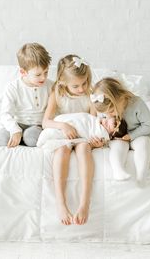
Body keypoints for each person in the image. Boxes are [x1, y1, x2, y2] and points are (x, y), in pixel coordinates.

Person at [42, 54, 95, 226]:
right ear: (63, 82)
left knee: (84, 149)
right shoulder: (57, 92)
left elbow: (94, 121)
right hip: (64, 133)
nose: (81, 89)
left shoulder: (91, 93)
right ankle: (61, 203)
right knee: (62, 151)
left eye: (84, 83)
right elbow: (46, 122)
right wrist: (63, 126)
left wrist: (95, 138)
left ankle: (84, 202)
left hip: (83, 134)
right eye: (76, 86)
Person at [90, 77, 150, 184]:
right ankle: (118, 171)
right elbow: (103, 123)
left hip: (138, 133)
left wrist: (131, 136)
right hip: (119, 137)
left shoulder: (136, 103)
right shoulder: (107, 110)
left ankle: (141, 176)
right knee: (117, 148)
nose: (109, 115)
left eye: (111, 111)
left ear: (121, 98)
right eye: (106, 113)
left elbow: (148, 125)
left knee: (143, 143)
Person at [0, 43, 53, 148]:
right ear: (23, 72)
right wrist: (15, 130)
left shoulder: (50, 86)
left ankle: (24, 138)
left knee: (32, 139)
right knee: (2, 140)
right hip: (17, 123)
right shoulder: (13, 87)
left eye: (46, 72)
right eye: (38, 74)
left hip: (36, 125)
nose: (43, 78)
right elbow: (5, 113)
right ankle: (18, 136)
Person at [38, 112, 127, 152]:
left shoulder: (102, 133)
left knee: (54, 134)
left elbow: (93, 137)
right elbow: (84, 118)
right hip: (64, 123)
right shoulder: (96, 119)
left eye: (113, 125)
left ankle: (47, 136)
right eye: (107, 120)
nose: (106, 122)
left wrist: (95, 145)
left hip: (78, 130)